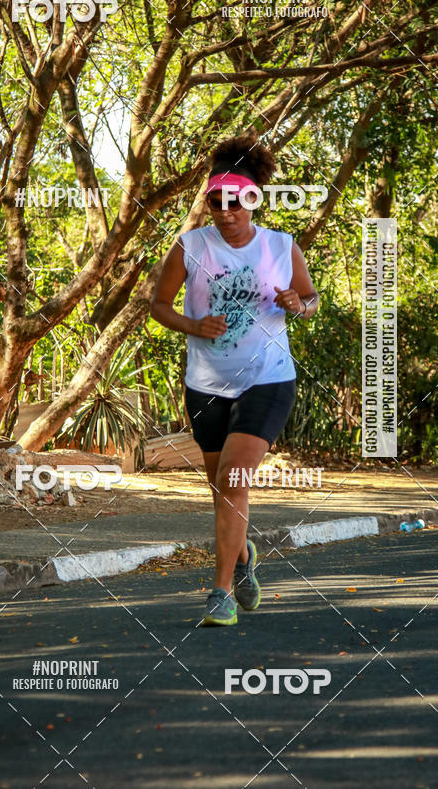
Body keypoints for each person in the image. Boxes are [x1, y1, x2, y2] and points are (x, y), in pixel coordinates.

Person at [150, 135, 319, 626]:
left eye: (235, 203)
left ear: (252, 201)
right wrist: (192, 325)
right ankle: (243, 557)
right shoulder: (190, 246)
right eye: (216, 203)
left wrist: (298, 304)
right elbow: (158, 306)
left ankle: (220, 593)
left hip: (267, 380)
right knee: (221, 488)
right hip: (206, 384)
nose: (225, 213)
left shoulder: (281, 247)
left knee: (232, 480)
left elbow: (310, 301)